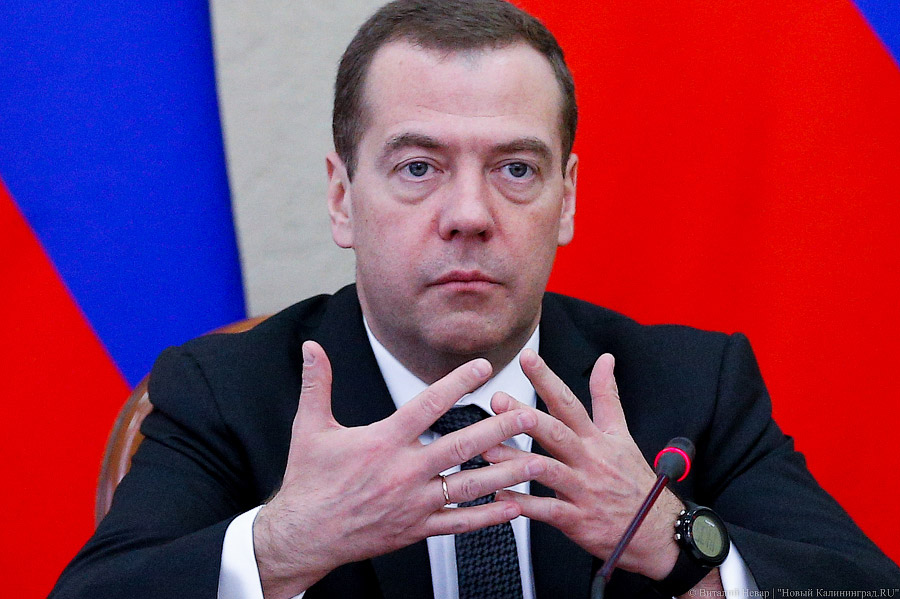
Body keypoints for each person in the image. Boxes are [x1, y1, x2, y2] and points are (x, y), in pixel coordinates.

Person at [51, 1, 900, 598]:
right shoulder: (227, 391)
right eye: (418, 167)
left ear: (566, 199)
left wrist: (675, 544)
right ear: (342, 197)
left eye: (515, 169)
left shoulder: (689, 385)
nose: (469, 214)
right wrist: (283, 545)